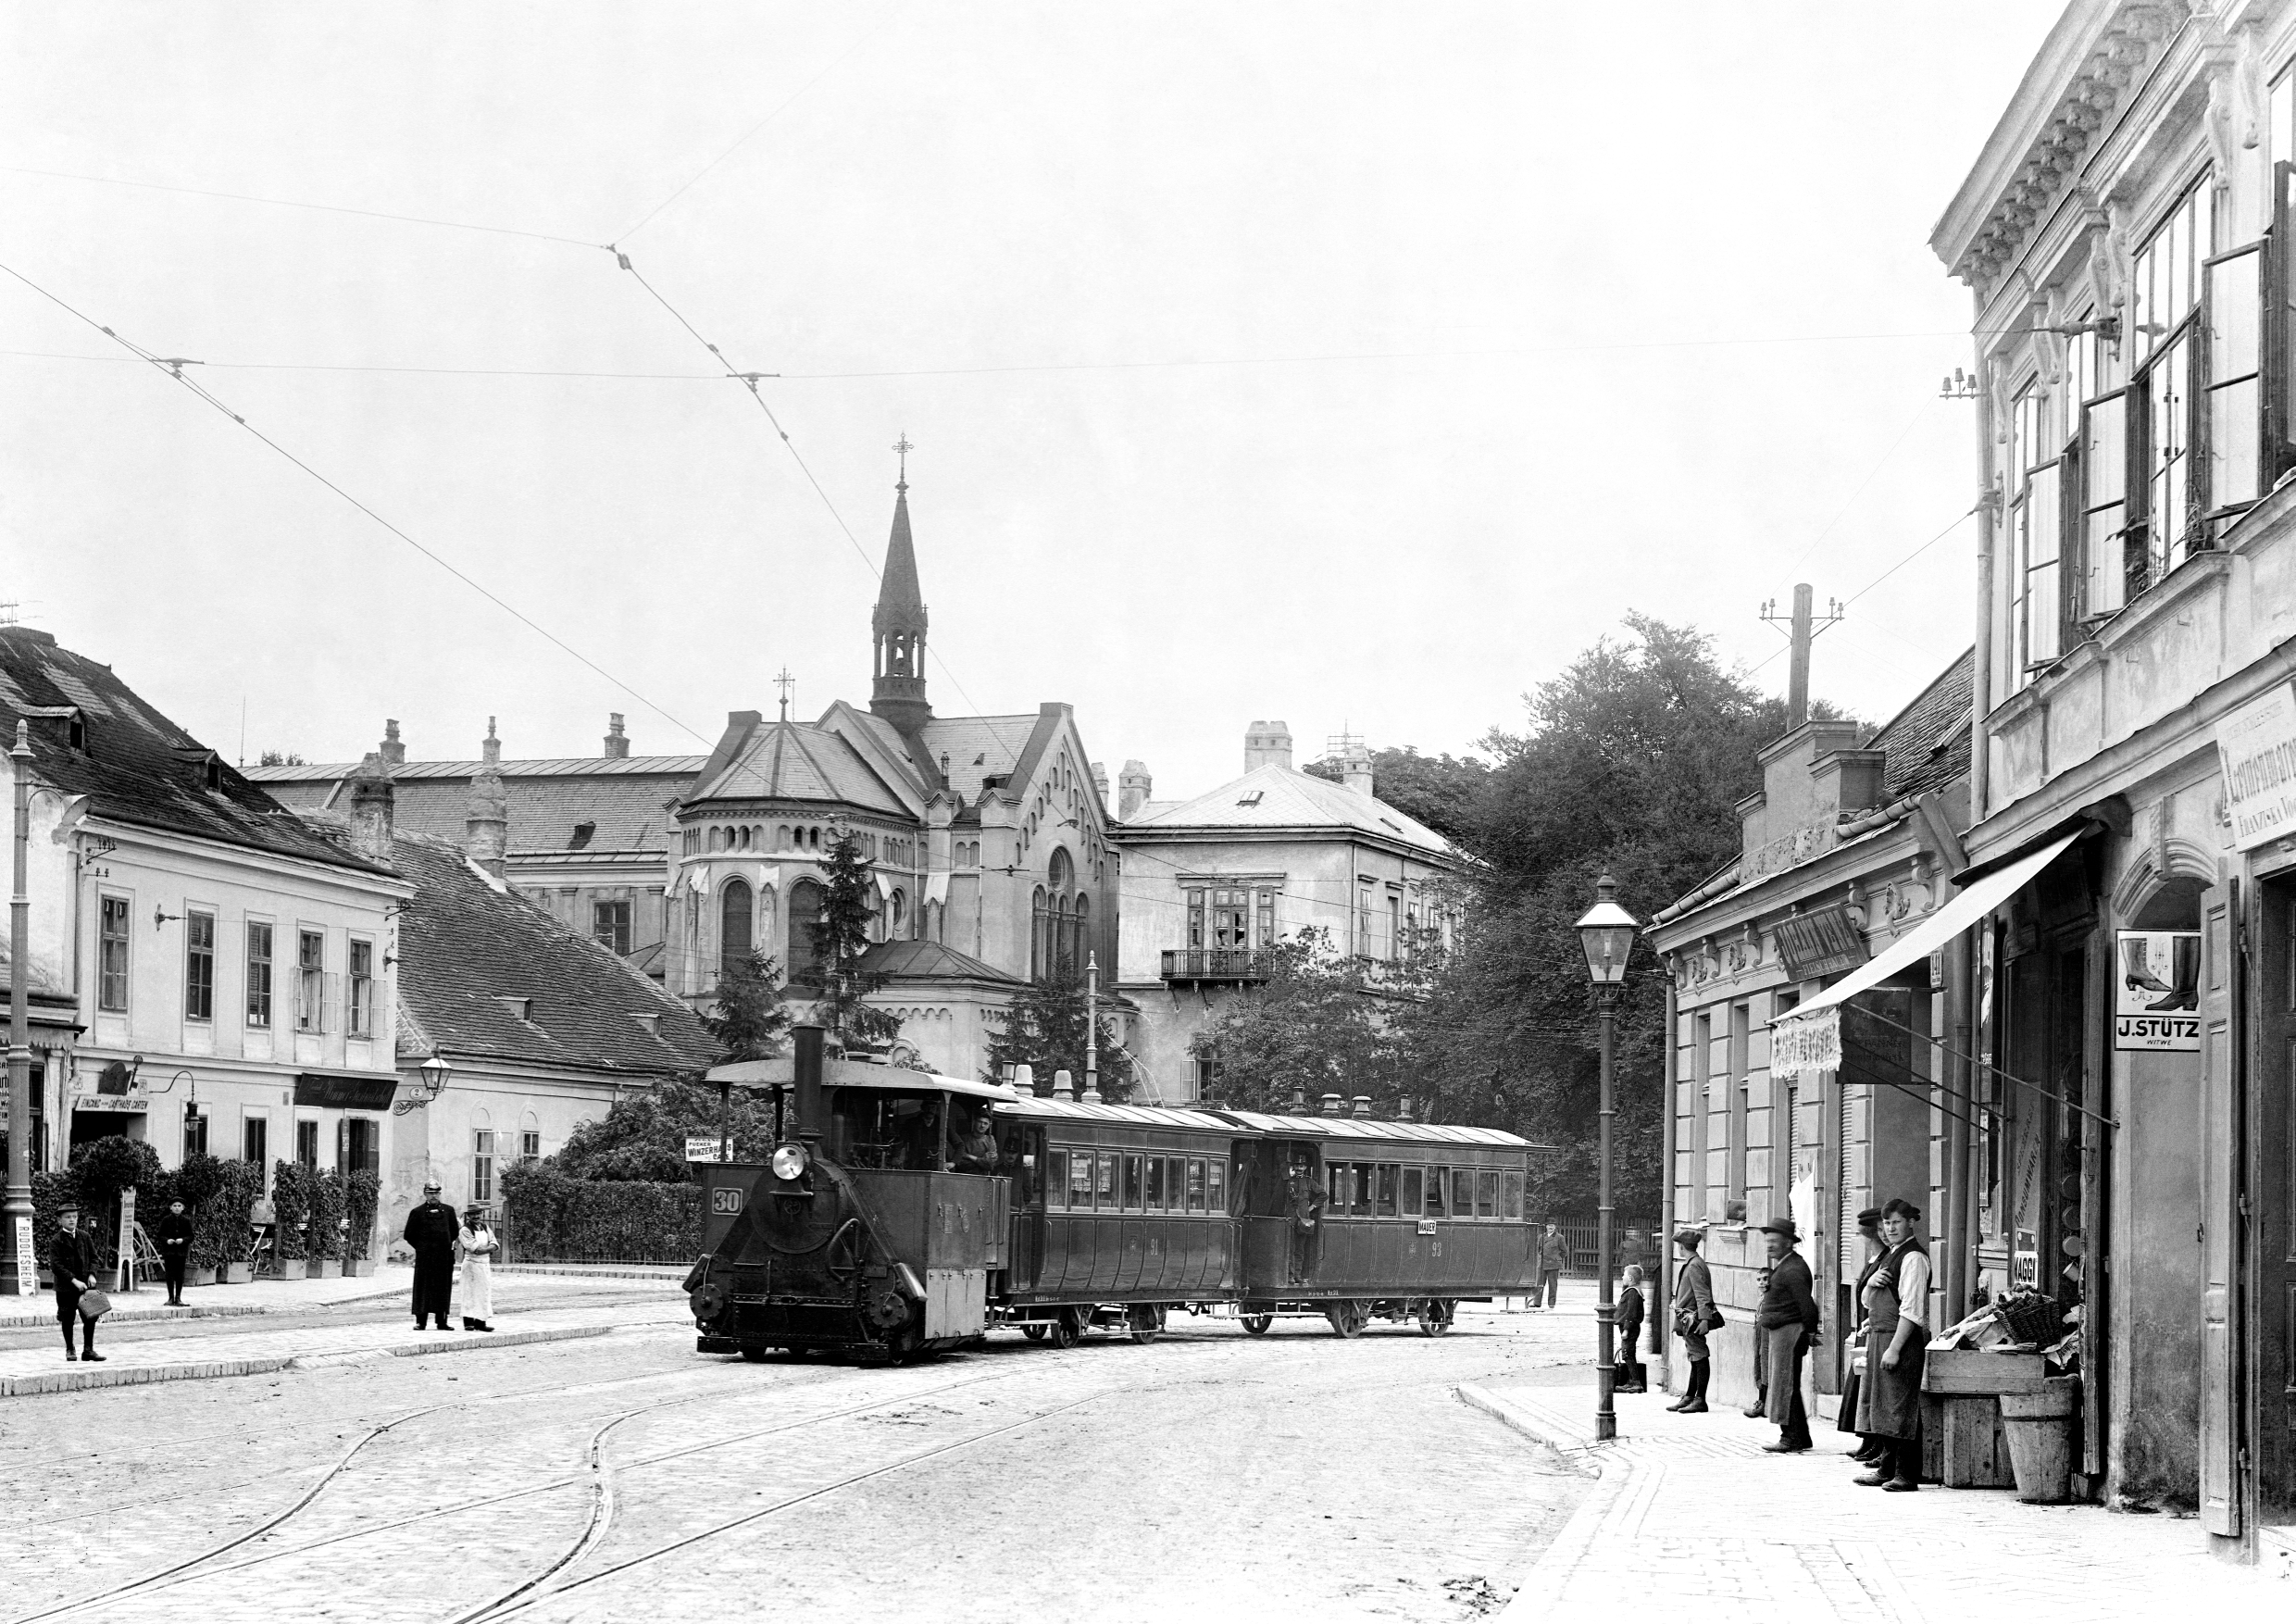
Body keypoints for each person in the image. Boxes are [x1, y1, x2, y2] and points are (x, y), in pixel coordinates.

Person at [1854, 1198, 1932, 1492]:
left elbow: (1912, 1310)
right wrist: (1872, 1282)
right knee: (1883, 1406)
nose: (1891, 1228)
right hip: (1880, 1335)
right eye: (1887, 1223)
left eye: (1897, 1222)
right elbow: (1867, 1300)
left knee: (1901, 1407)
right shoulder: (1891, 1255)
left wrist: (1895, 1348)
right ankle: (1886, 1468)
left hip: (1900, 1339)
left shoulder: (1913, 1258)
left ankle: (1906, 1474)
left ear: (1910, 1222)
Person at [1754, 1218, 1820, 1454]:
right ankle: (1800, 1435)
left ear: (1787, 1243)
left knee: (1785, 1385)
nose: (1769, 1246)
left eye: (1774, 1241)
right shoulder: (1787, 1265)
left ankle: (1790, 1438)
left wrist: (1809, 1332)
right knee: (1787, 1384)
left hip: (1790, 1333)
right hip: (1784, 1333)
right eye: (1767, 1241)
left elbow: (1808, 1306)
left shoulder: (1792, 1269)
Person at [1841, 1208, 1888, 1466]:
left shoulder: (1884, 1260)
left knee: (1870, 1388)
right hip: (1866, 1329)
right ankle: (1868, 1441)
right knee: (1862, 1387)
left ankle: (1875, 1443)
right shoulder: (1874, 1260)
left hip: (1875, 1329)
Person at [47, 1204, 105, 1362]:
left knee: (90, 1317)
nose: (72, 1220)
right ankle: (70, 1349)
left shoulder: (84, 1237)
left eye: (74, 1216)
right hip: (66, 1288)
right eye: (67, 1217)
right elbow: (56, 1266)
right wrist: (74, 1280)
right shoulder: (56, 1241)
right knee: (67, 1318)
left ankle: (88, 1350)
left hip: (87, 1287)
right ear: (60, 1220)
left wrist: (92, 1274)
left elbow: (94, 1257)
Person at [1666, 1228, 1713, 1412]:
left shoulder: (1694, 1265)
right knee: (1694, 1356)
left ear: (1681, 1247)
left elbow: (1702, 1295)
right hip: (1689, 1317)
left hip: (1693, 1318)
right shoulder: (1694, 1263)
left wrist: (1704, 1319)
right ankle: (1690, 1396)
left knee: (1699, 1356)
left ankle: (1700, 1399)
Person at [403, 1181, 459, 1330]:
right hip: (425, 1258)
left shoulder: (448, 1211)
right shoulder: (417, 1212)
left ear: (440, 1194)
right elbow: (409, 1234)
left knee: (442, 1288)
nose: (433, 1196)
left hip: (443, 1257)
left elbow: (454, 1232)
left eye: (436, 1193)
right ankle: (421, 1321)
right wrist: (422, 1248)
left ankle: (442, 1321)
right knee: (423, 1288)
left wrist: (445, 1245)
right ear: (425, 1194)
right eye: (430, 1193)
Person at [1284, 1157, 1325, 1284]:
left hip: (1303, 1220)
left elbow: (1323, 1194)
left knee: (1300, 1249)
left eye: (1301, 1166)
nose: (1298, 1168)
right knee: (1289, 1248)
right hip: (1290, 1219)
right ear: (1293, 1167)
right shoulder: (1288, 1181)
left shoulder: (1309, 1182)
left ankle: (1297, 1275)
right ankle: (1290, 1275)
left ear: (1305, 1168)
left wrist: (1312, 1207)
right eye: (1296, 1166)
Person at [455, 1206, 496, 1332]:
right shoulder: (465, 1230)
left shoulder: (485, 1227)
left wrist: (487, 1249)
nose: (476, 1217)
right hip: (471, 1265)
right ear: (468, 1216)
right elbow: (474, 1248)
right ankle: (468, 1322)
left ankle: (481, 1322)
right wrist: (487, 1249)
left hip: (484, 1265)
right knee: (469, 1292)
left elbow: (495, 1243)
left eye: (478, 1213)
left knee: (483, 1293)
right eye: (473, 1214)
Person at [156, 1197, 196, 1307]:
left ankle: (178, 1297)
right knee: (169, 1274)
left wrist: (183, 1240)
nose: (177, 1208)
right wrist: (167, 1240)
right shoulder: (166, 1220)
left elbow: (191, 1236)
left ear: (183, 1208)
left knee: (180, 1274)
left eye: (179, 1206)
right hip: (169, 1252)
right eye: (174, 1206)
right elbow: (160, 1235)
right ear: (170, 1208)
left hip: (181, 1252)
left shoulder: (186, 1221)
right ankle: (170, 1297)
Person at [1615, 1264, 1647, 1393]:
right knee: (1628, 1353)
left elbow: (1631, 1312)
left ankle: (1635, 1382)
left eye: (1624, 1275)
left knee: (1627, 1354)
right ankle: (1630, 1382)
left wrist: (1626, 1329)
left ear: (1631, 1278)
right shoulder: (1631, 1290)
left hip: (1630, 1328)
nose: (1622, 1277)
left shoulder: (1633, 1292)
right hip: (1628, 1327)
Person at [950, 1108, 999, 1175]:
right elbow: (961, 1163)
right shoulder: (963, 1139)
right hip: (963, 1177)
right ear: (974, 1121)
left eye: (985, 1123)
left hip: (983, 1179)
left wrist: (969, 1156)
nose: (982, 1126)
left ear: (989, 1125)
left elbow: (990, 1165)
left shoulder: (990, 1140)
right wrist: (982, 1160)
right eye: (980, 1122)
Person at [1537, 1223, 1568, 1311]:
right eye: (1549, 1225)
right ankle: (1537, 1303)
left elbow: (1564, 1251)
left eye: (1552, 1226)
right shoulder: (1541, 1237)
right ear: (1546, 1227)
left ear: (1555, 1227)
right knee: (1539, 1283)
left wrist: (1556, 1258)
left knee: (1552, 1284)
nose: (1550, 1227)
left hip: (1553, 1264)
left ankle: (1551, 1304)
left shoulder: (1559, 1237)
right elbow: (1538, 1249)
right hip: (1542, 1264)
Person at [248, 1191, 278, 1275]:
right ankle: (261, 1260)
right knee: (255, 1241)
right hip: (260, 1232)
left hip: (257, 1233)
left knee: (254, 1241)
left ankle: (259, 1259)